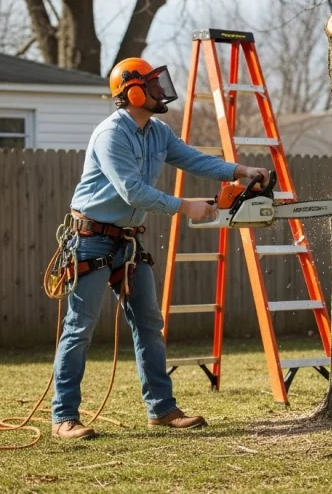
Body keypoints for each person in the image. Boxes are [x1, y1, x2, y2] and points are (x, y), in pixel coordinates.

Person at [50, 57, 270, 440]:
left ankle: (162, 410)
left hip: (128, 240)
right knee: (79, 328)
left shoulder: (157, 132)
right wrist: (186, 207)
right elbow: (132, 191)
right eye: (152, 84)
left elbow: (193, 159)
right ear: (132, 92)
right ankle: (64, 417)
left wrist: (240, 171)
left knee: (149, 324)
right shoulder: (111, 135)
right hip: (91, 239)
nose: (160, 89)